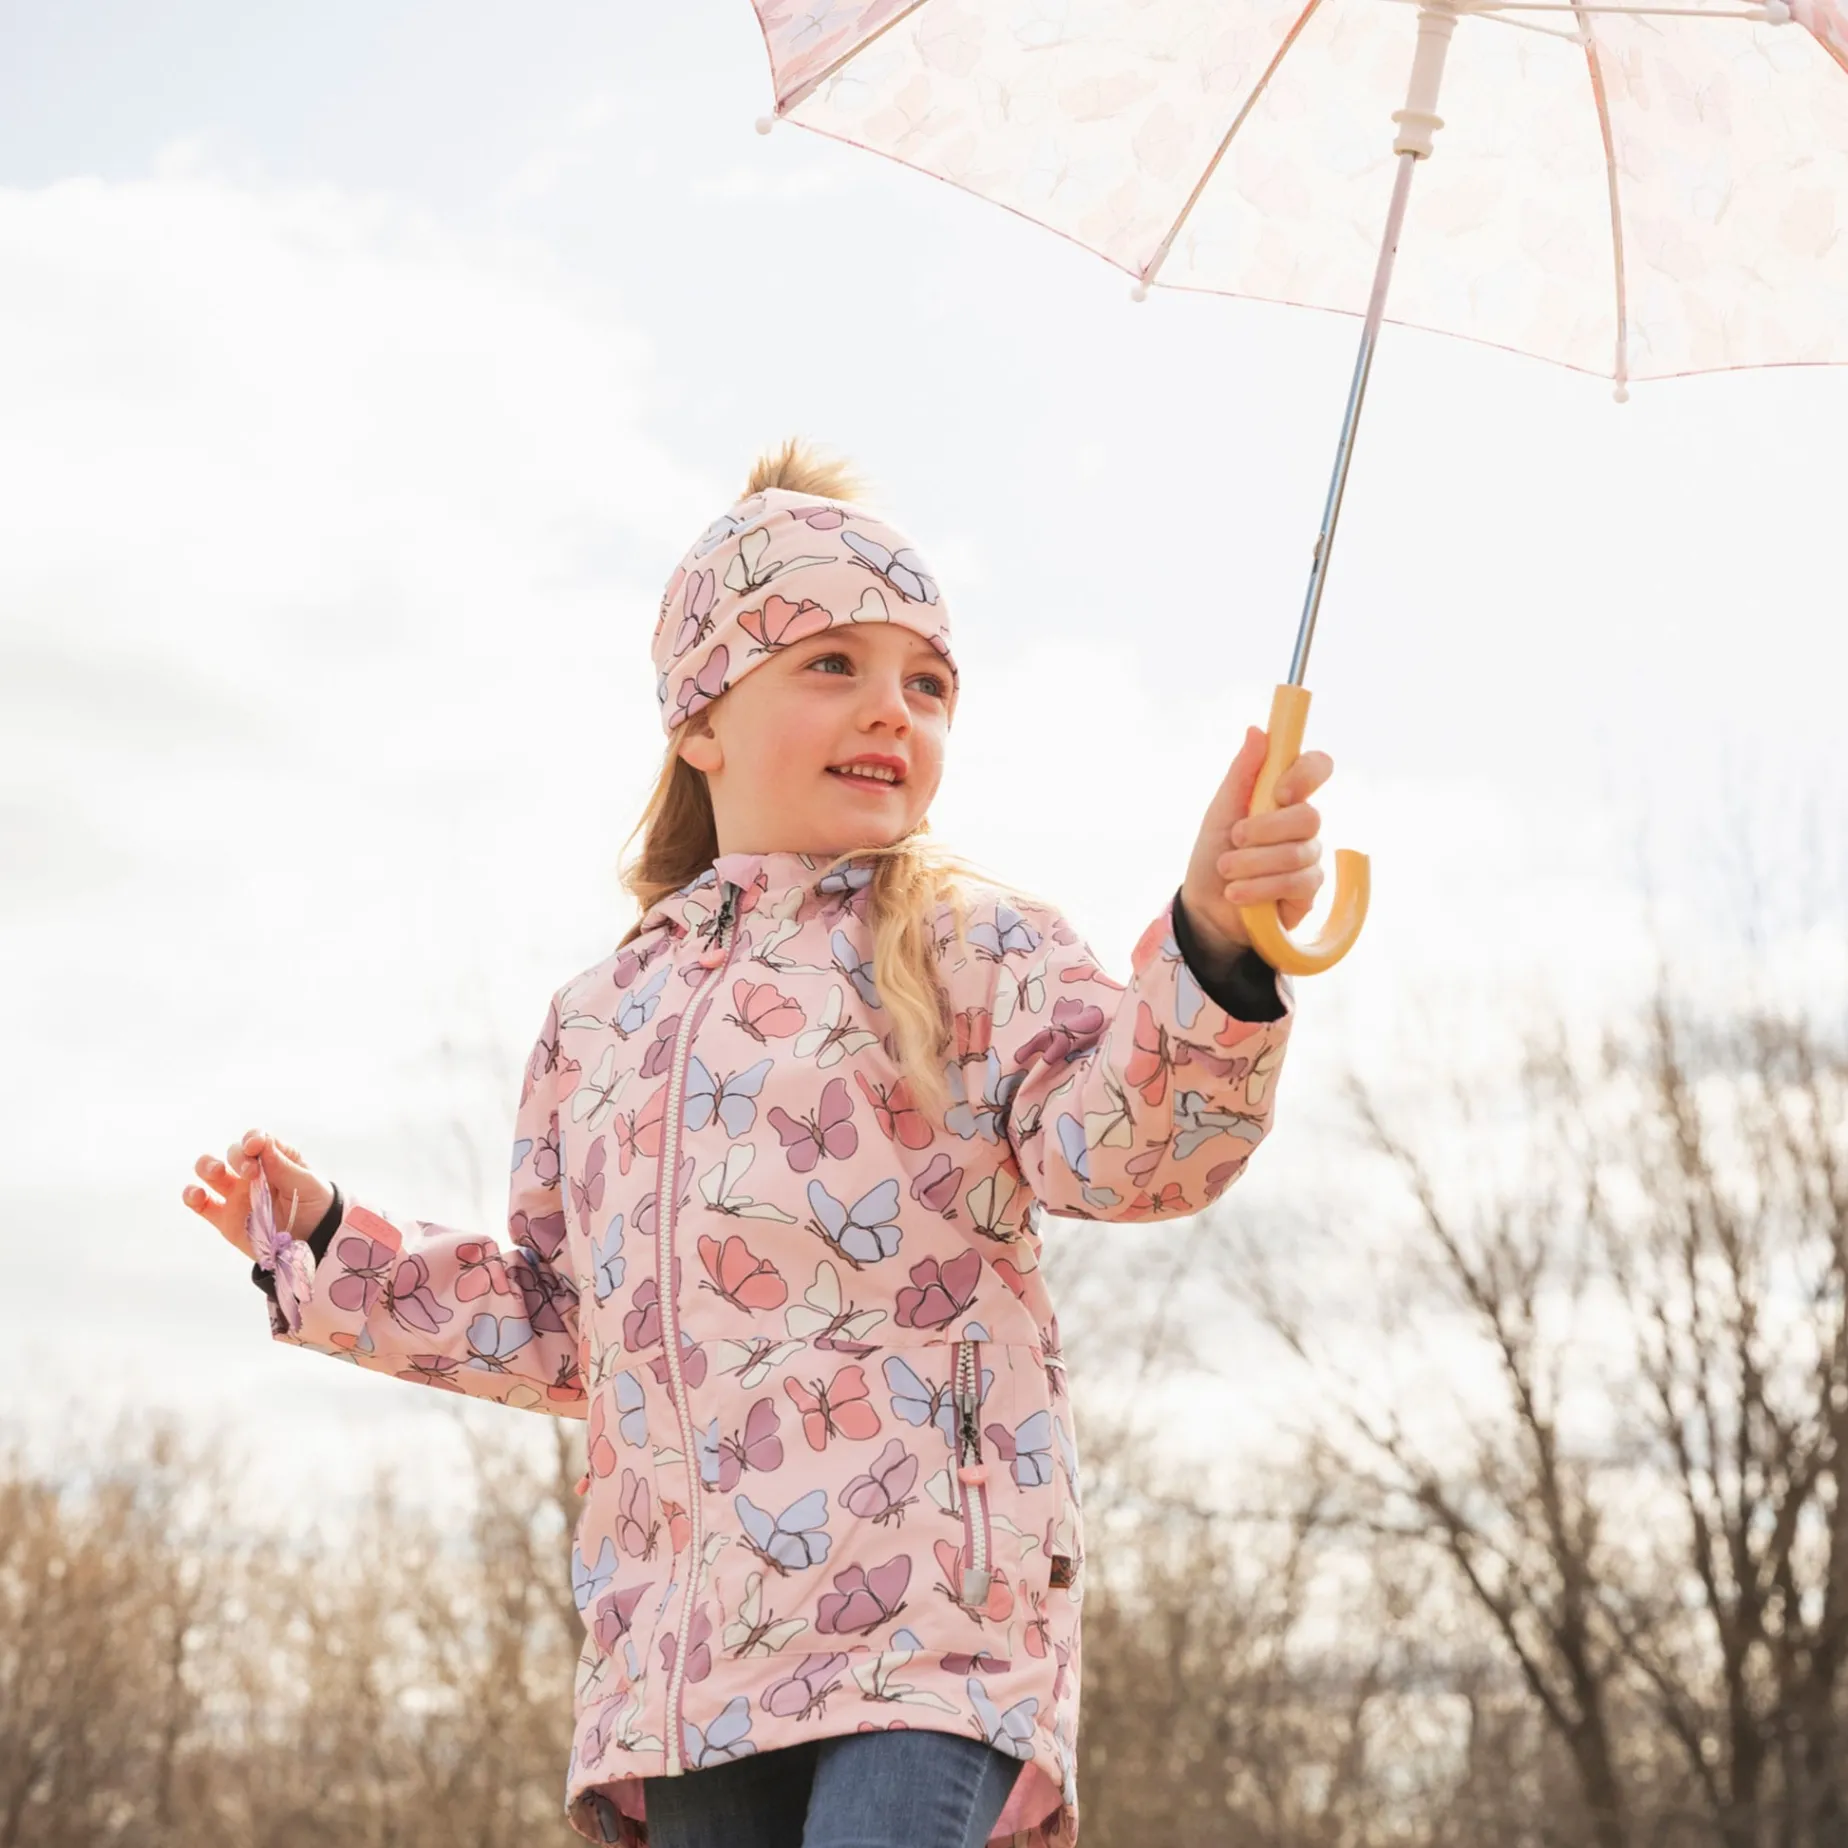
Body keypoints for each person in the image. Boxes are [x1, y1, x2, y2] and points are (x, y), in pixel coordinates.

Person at [181, 436, 1330, 1848]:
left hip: (932, 1628)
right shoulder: (599, 1024)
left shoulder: (974, 950)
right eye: (833, 664)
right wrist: (327, 1244)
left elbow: (1129, 1151)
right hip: (686, 1665)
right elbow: (569, 1329)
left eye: (929, 683)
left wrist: (1215, 945)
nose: (893, 708)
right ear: (702, 718)